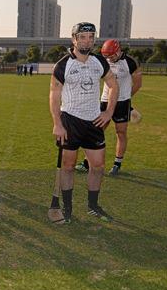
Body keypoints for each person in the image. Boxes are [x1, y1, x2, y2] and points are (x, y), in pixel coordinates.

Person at [49, 22, 119, 223]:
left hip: (94, 122)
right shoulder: (63, 64)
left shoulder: (99, 62)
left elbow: (113, 85)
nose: (87, 41)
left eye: (90, 37)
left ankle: (93, 205)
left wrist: (109, 112)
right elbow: (54, 95)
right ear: (74, 39)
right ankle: (68, 208)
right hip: (70, 121)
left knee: (97, 166)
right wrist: (57, 123)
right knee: (68, 166)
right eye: (82, 37)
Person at [75, 39, 142, 175]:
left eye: (112, 55)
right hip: (105, 101)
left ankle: (117, 164)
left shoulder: (130, 62)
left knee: (121, 132)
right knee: (95, 132)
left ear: (118, 50)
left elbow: (137, 84)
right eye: (107, 56)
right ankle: (87, 163)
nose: (110, 58)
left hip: (123, 102)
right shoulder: (103, 61)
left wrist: (126, 99)